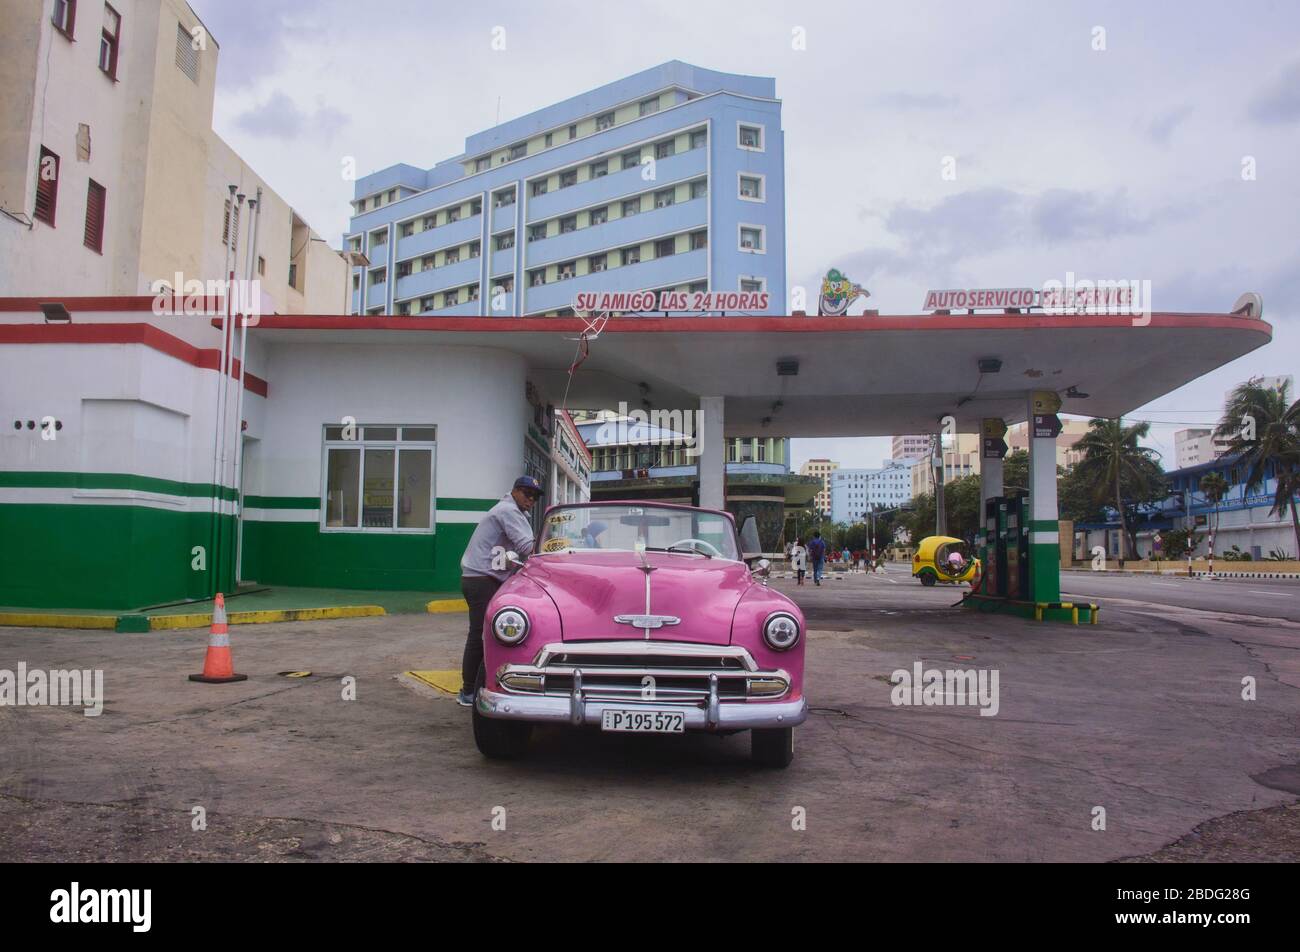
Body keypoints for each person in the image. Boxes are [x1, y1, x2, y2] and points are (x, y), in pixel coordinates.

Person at [457, 476, 542, 706]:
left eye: (535, 496)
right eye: (527, 493)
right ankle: (467, 691)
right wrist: (556, 545)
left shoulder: (514, 511)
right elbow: (528, 547)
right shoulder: (508, 511)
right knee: (481, 634)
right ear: (514, 491)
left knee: (491, 634)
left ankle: (480, 685)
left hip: (486, 578)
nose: (531, 500)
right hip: (481, 579)